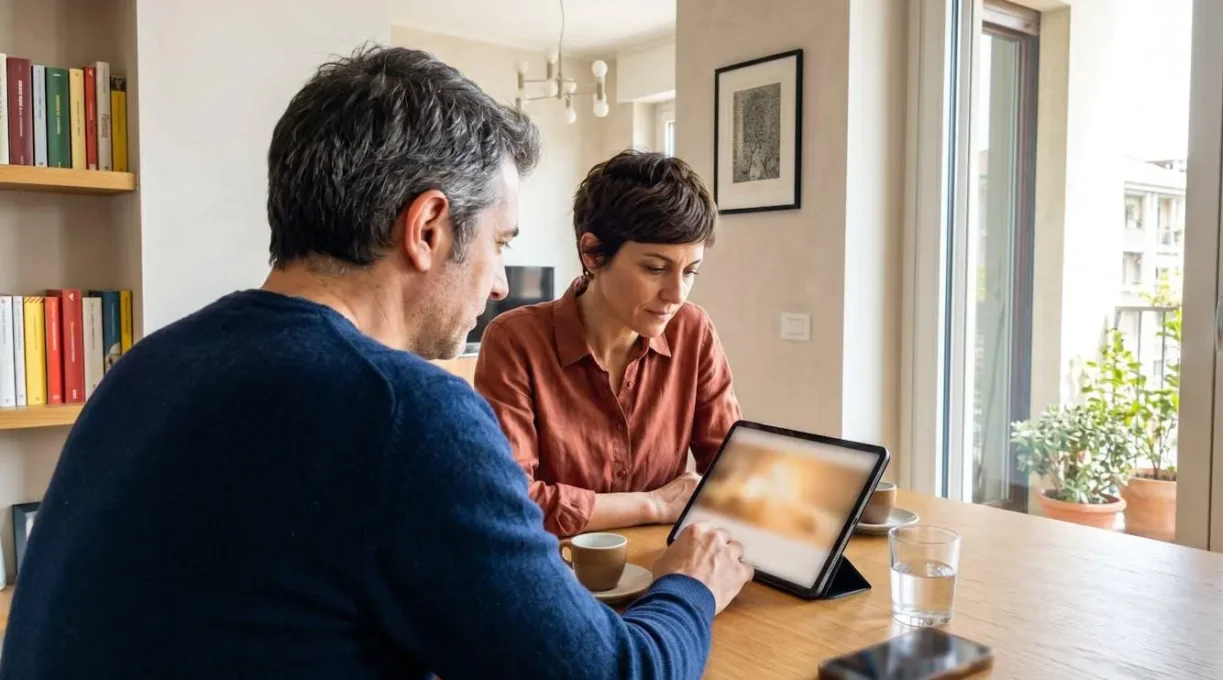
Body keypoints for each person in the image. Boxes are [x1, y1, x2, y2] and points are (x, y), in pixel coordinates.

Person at [0, 45, 752, 680]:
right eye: (500, 244)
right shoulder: (405, 413)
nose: (499, 283)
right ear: (427, 229)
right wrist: (691, 583)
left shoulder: (147, 364)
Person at [475, 150, 742, 538]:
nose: (676, 294)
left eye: (690, 272)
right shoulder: (515, 340)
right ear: (593, 254)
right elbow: (509, 501)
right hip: (556, 567)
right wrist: (654, 504)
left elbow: (730, 472)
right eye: (655, 268)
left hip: (661, 561)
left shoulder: (693, 330)